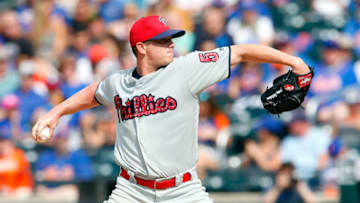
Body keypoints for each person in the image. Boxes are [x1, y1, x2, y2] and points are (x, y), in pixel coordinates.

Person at [32, 15, 311, 202]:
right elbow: (93, 92)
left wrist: (294, 61)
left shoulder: (187, 69)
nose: (171, 44)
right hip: (131, 190)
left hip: (183, 190)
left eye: (171, 38)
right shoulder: (118, 83)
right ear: (141, 48)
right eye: (162, 40)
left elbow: (239, 52)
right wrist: (55, 113)